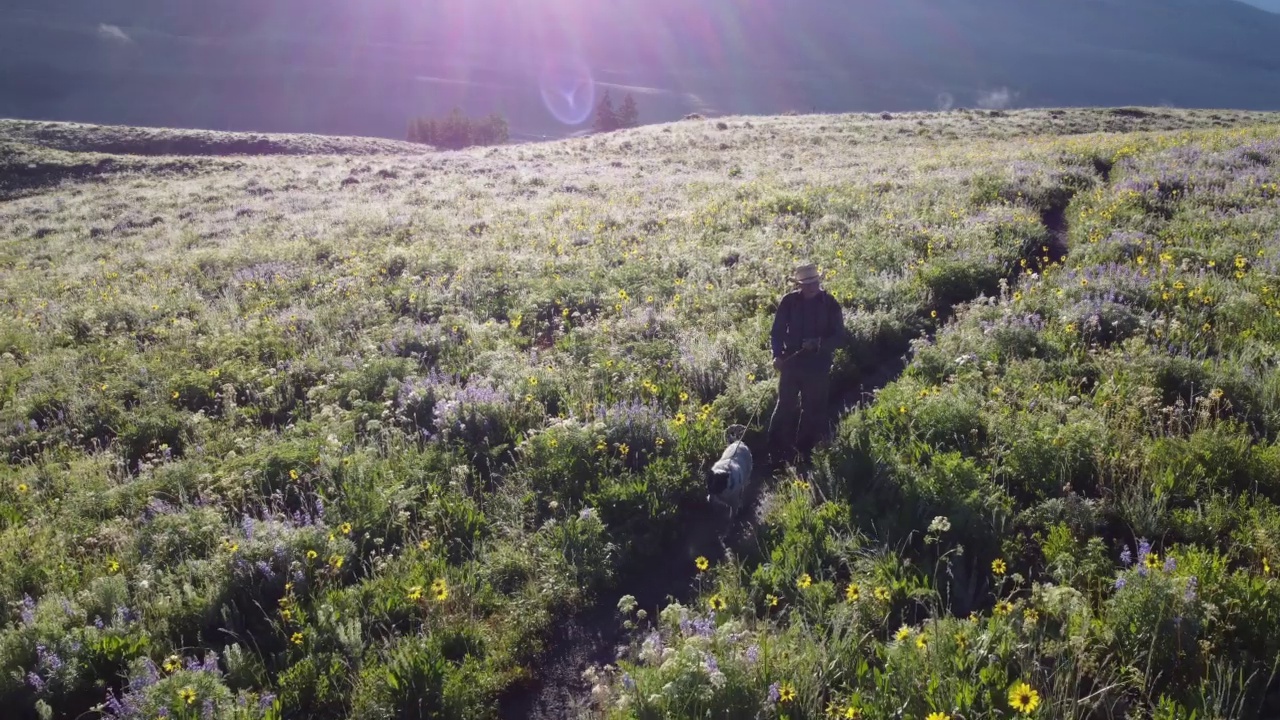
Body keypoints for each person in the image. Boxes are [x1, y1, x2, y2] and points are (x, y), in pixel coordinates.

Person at [766, 262, 843, 463]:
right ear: (799, 285)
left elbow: (840, 336)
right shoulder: (789, 302)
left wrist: (819, 343)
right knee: (785, 406)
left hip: (818, 366)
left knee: (813, 408)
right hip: (791, 363)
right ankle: (775, 450)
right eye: (807, 283)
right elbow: (777, 332)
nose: (811, 287)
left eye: (814, 282)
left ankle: (805, 452)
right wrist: (777, 354)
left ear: (819, 281)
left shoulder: (830, 304)